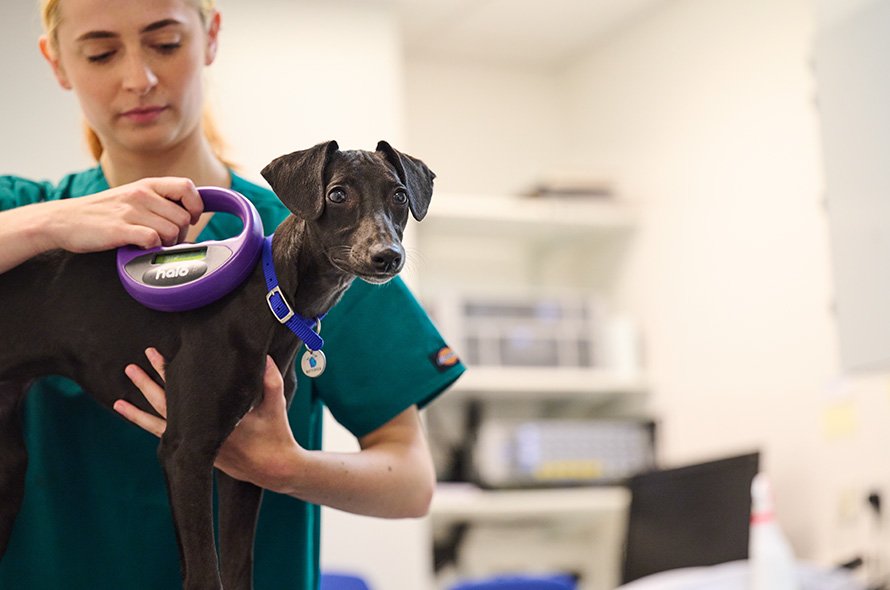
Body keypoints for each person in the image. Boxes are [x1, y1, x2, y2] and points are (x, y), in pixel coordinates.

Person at [0, 0, 464, 588]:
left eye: (164, 44)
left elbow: (411, 482)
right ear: (57, 61)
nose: (137, 78)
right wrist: (47, 226)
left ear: (211, 36)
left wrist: (289, 468)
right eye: (100, 51)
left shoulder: (325, 237)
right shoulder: (22, 219)